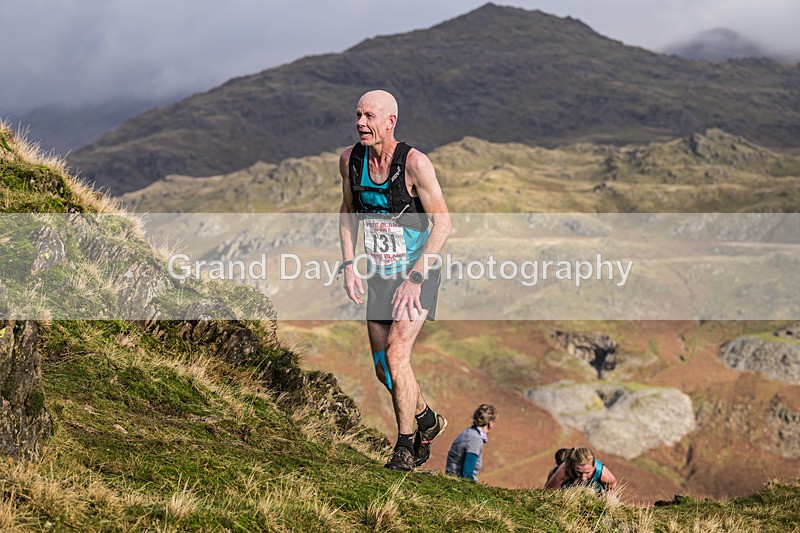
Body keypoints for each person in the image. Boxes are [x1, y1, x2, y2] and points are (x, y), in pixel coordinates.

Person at [338, 89, 452, 471]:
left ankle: (405, 447)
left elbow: (444, 223)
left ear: (391, 121)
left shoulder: (416, 164)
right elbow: (347, 211)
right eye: (357, 114)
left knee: (396, 354)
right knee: (382, 368)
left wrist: (416, 278)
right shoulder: (350, 161)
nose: (360, 123)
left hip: (418, 273)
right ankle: (426, 419)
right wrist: (349, 264)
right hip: (379, 274)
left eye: (369, 116)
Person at [445, 404, 497, 482]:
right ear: (490, 423)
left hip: (451, 479)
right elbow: (467, 474)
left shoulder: (466, 433)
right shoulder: (475, 439)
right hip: (458, 483)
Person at [544, 446, 618, 494]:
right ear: (573, 466)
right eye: (579, 472)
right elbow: (548, 492)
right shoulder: (565, 469)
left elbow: (613, 486)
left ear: (594, 466)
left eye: (588, 472)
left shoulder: (601, 472)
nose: (583, 478)